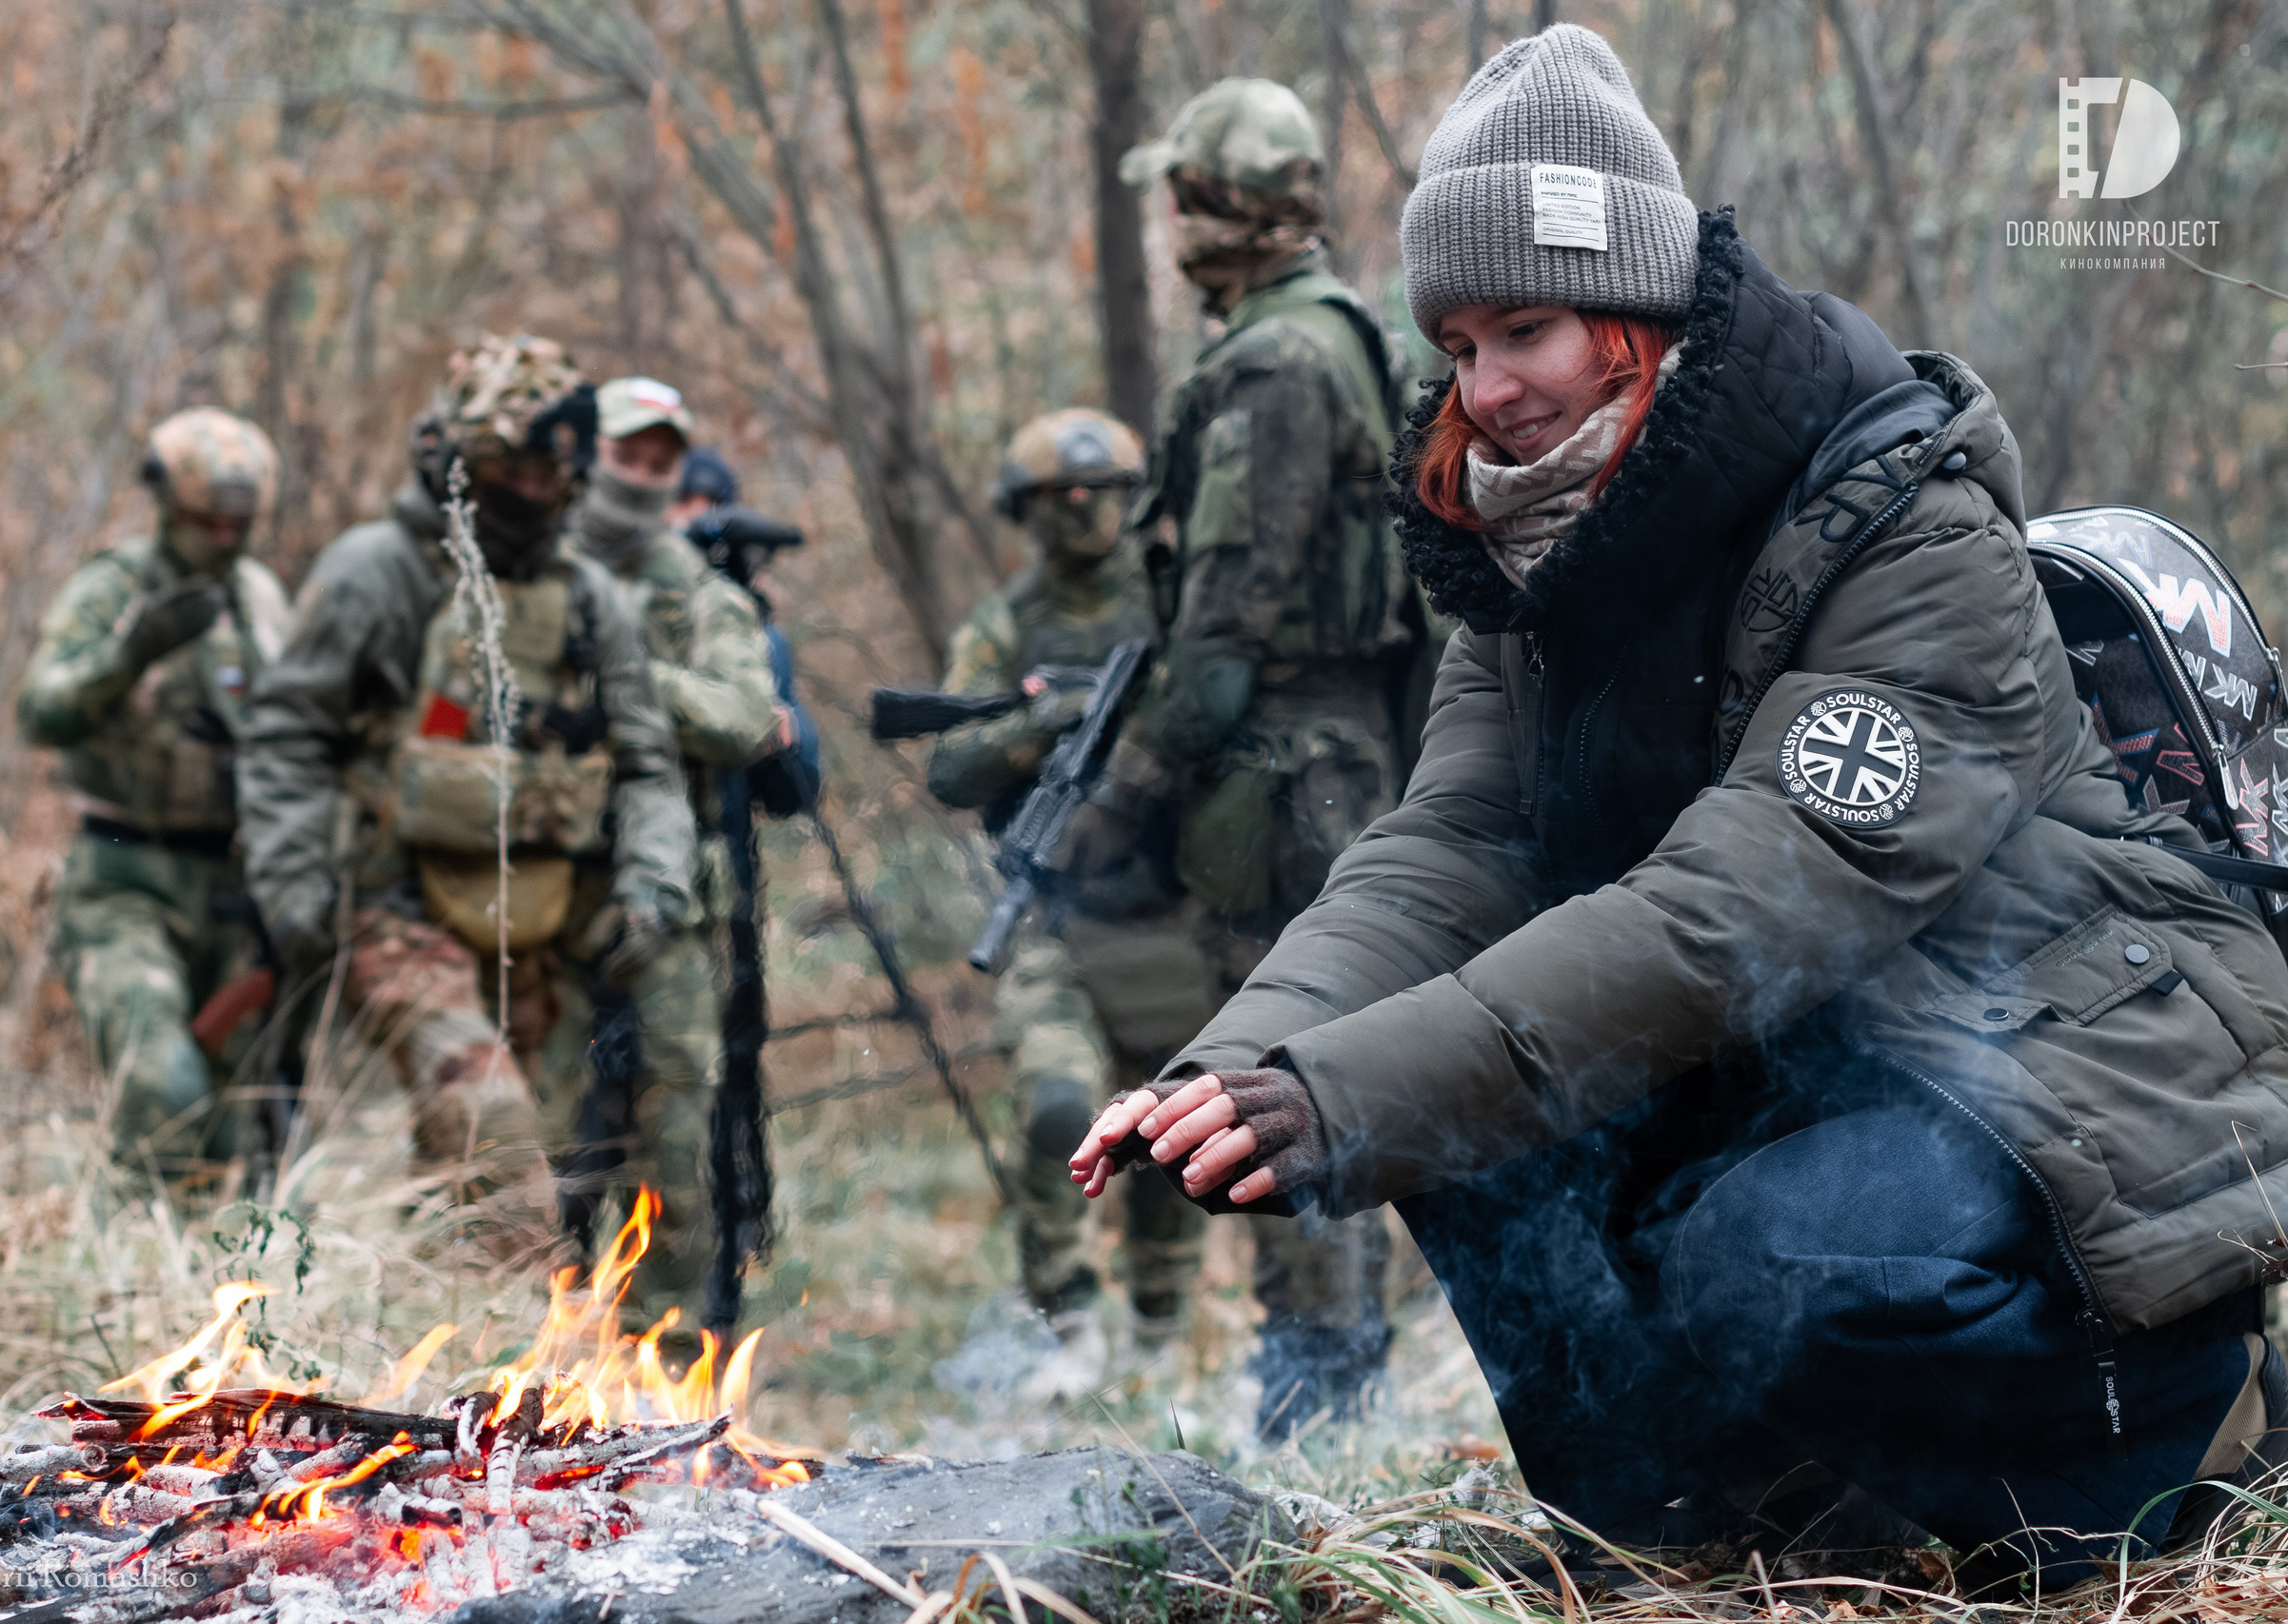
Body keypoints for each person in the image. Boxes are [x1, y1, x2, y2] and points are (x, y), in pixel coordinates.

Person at [1076, 23, 2288, 1584]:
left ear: (1638, 307)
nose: (1487, 391)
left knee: (1771, 1245)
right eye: (1457, 345)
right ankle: (1704, 1533)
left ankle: (2170, 1456)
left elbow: (1732, 911)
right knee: (1456, 1136)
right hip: (1807, 1062)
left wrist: (1343, 1093)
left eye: (1526, 329)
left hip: (2041, 1070)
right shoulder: (1536, 556)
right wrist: (1242, 1066)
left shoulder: (1907, 526)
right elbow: (1453, 848)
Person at [1081, 78, 1429, 1436]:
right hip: (1320, 755)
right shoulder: (1324, 334)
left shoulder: (1276, 362)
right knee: (1304, 1061)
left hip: (1291, 770)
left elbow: (1223, 627)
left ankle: (1319, 1393)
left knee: (1283, 1073)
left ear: (1219, 207)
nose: (1169, 224)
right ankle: (1326, 1372)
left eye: (1182, 197)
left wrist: (1124, 795)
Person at [238, 335, 699, 1245]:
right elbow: (287, 734)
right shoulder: (379, 571)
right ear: (455, 458)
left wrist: (653, 886)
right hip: (393, 910)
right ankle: (483, 1316)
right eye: (506, 469)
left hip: (535, 927)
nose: (529, 489)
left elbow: (648, 762)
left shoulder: (588, 596)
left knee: (503, 1180)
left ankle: (434, 1318)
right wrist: (295, 886)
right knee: (499, 1146)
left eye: (546, 470)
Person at [922, 407, 1204, 1388]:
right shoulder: (1005, 625)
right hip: (1053, 917)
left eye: (1100, 491)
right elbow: (950, 764)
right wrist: (1038, 725)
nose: (1081, 508)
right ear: (1023, 509)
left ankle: (1161, 1327)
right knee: (1056, 1108)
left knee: (1171, 1128)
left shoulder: (1173, 603)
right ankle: (1067, 1319)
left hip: (1172, 911)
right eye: (1058, 495)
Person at [20, 408, 293, 1179]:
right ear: (170, 507)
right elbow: (39, 710)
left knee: (240, 1127)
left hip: (237, 887)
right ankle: (134, 1239)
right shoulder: (114, 586)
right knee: (161, 1085)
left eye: (239, 523)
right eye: (208, 521)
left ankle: (214, 1252)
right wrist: (127, 655)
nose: (225, 537)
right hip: (123, 871)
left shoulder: (260, 597)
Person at [561, 377, 783, 1317]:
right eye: (627, 455)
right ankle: (526, 1350)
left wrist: (629, 676)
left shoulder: (700, 594)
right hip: (537, 898)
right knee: (542, 1144)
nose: (643, 475)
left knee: (676, 1148)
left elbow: (747, 719)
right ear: (588, 456)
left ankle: (664, 1360)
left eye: (661, 460)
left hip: (675, 909)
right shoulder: (530, 577)